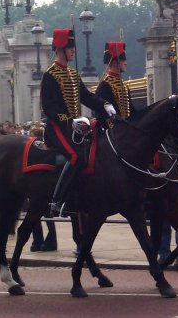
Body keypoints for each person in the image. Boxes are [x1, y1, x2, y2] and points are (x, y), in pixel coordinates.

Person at [41, 28, 116, 217]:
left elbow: (87, 97)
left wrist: (104, 105)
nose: (73, 50)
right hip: (57, 127)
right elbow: (48, 107)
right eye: (70, 47)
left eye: (73, 47)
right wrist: (69, 120)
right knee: (75, 157)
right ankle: (57, 201)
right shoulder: (50, 75)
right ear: (60, 49)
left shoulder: (73, 74)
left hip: (76, 128)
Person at [95, 41, 137, 124]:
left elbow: (131, 111)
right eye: (123, 59)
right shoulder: (104, 86)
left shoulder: (124, 86)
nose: (126, 63)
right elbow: (101, 115)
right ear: (114, 61)